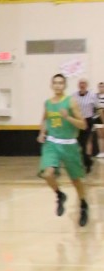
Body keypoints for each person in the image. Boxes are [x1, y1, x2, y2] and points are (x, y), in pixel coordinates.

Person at [38, 73, 88, 226]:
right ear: (51, 85)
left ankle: (83, 204)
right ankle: (60, 195)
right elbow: (45, 120)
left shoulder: (70, 102)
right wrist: (42, 132)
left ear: (64, 85)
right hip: (52, 144)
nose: (58, 85)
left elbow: (83, 125)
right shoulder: (47, 103)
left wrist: (68, 118)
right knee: (47, 174)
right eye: (55, 83)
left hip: (69, 144)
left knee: (75, 180)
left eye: (61, 83)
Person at [72, 78, 98, 173]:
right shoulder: (73, 95)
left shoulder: (92, 95)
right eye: (80, 83)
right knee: (78, 143)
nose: (82, 85)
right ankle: (88, 161)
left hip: (88, 121)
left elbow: (97, 108)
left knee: (84, 143)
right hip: (78, 121)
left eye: (83, 83)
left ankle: (86, 164)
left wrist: (95, 119)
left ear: (86, 85)